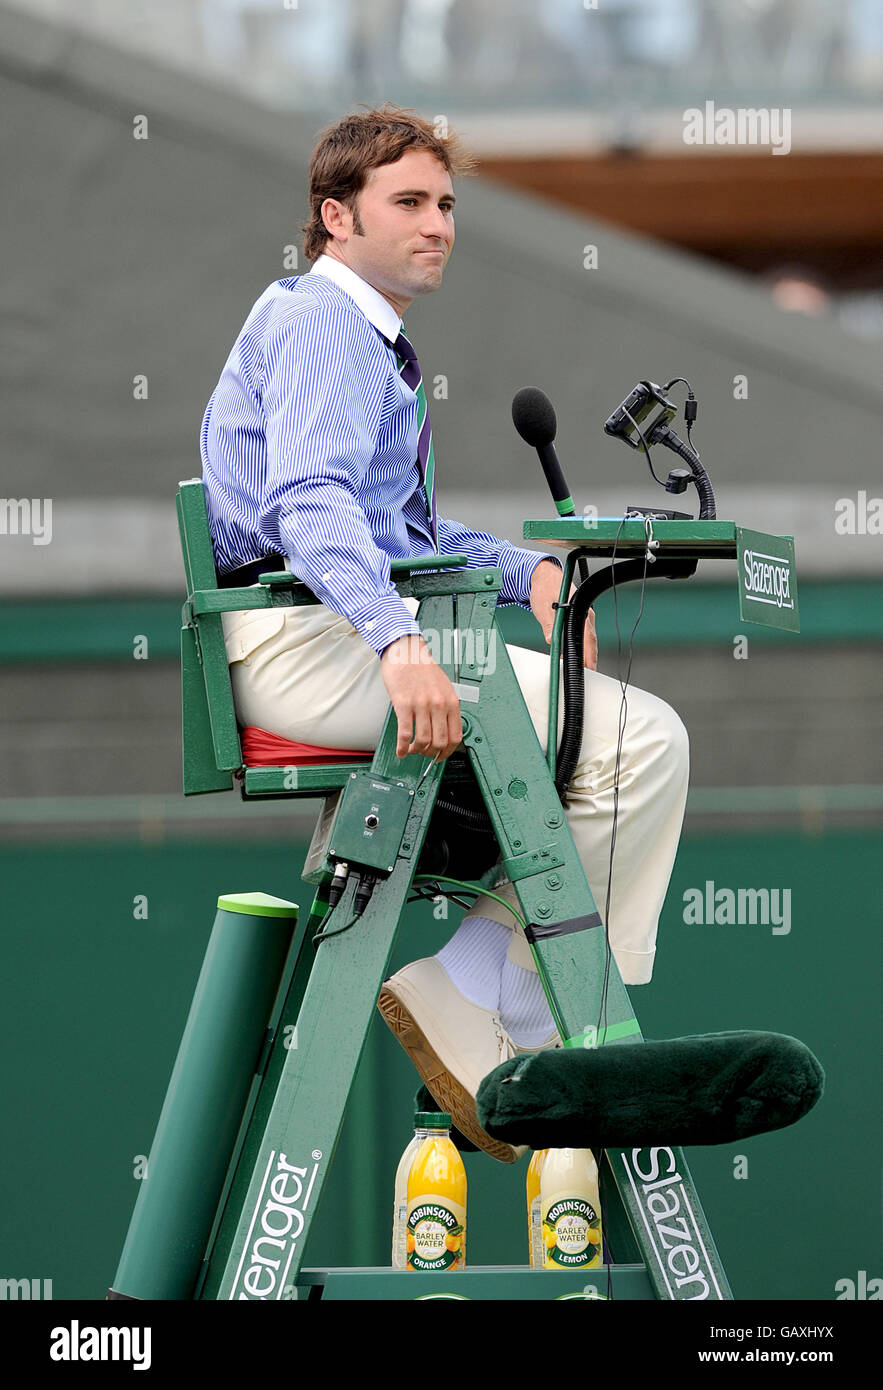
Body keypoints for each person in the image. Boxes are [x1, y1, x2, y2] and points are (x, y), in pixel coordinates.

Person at [200, 103, 689, 1162]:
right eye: (409, 202)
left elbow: (398, 530)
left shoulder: (352, 328)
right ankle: (488, 990)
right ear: (335, 216)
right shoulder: (327, 322)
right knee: (639, 741)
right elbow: (309, 506)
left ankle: (497, 995)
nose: (439, 224)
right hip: (311, 648)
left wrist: (530, 571)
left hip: (330, 634)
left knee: (621, 735)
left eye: (448, 204)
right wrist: (396, 642)